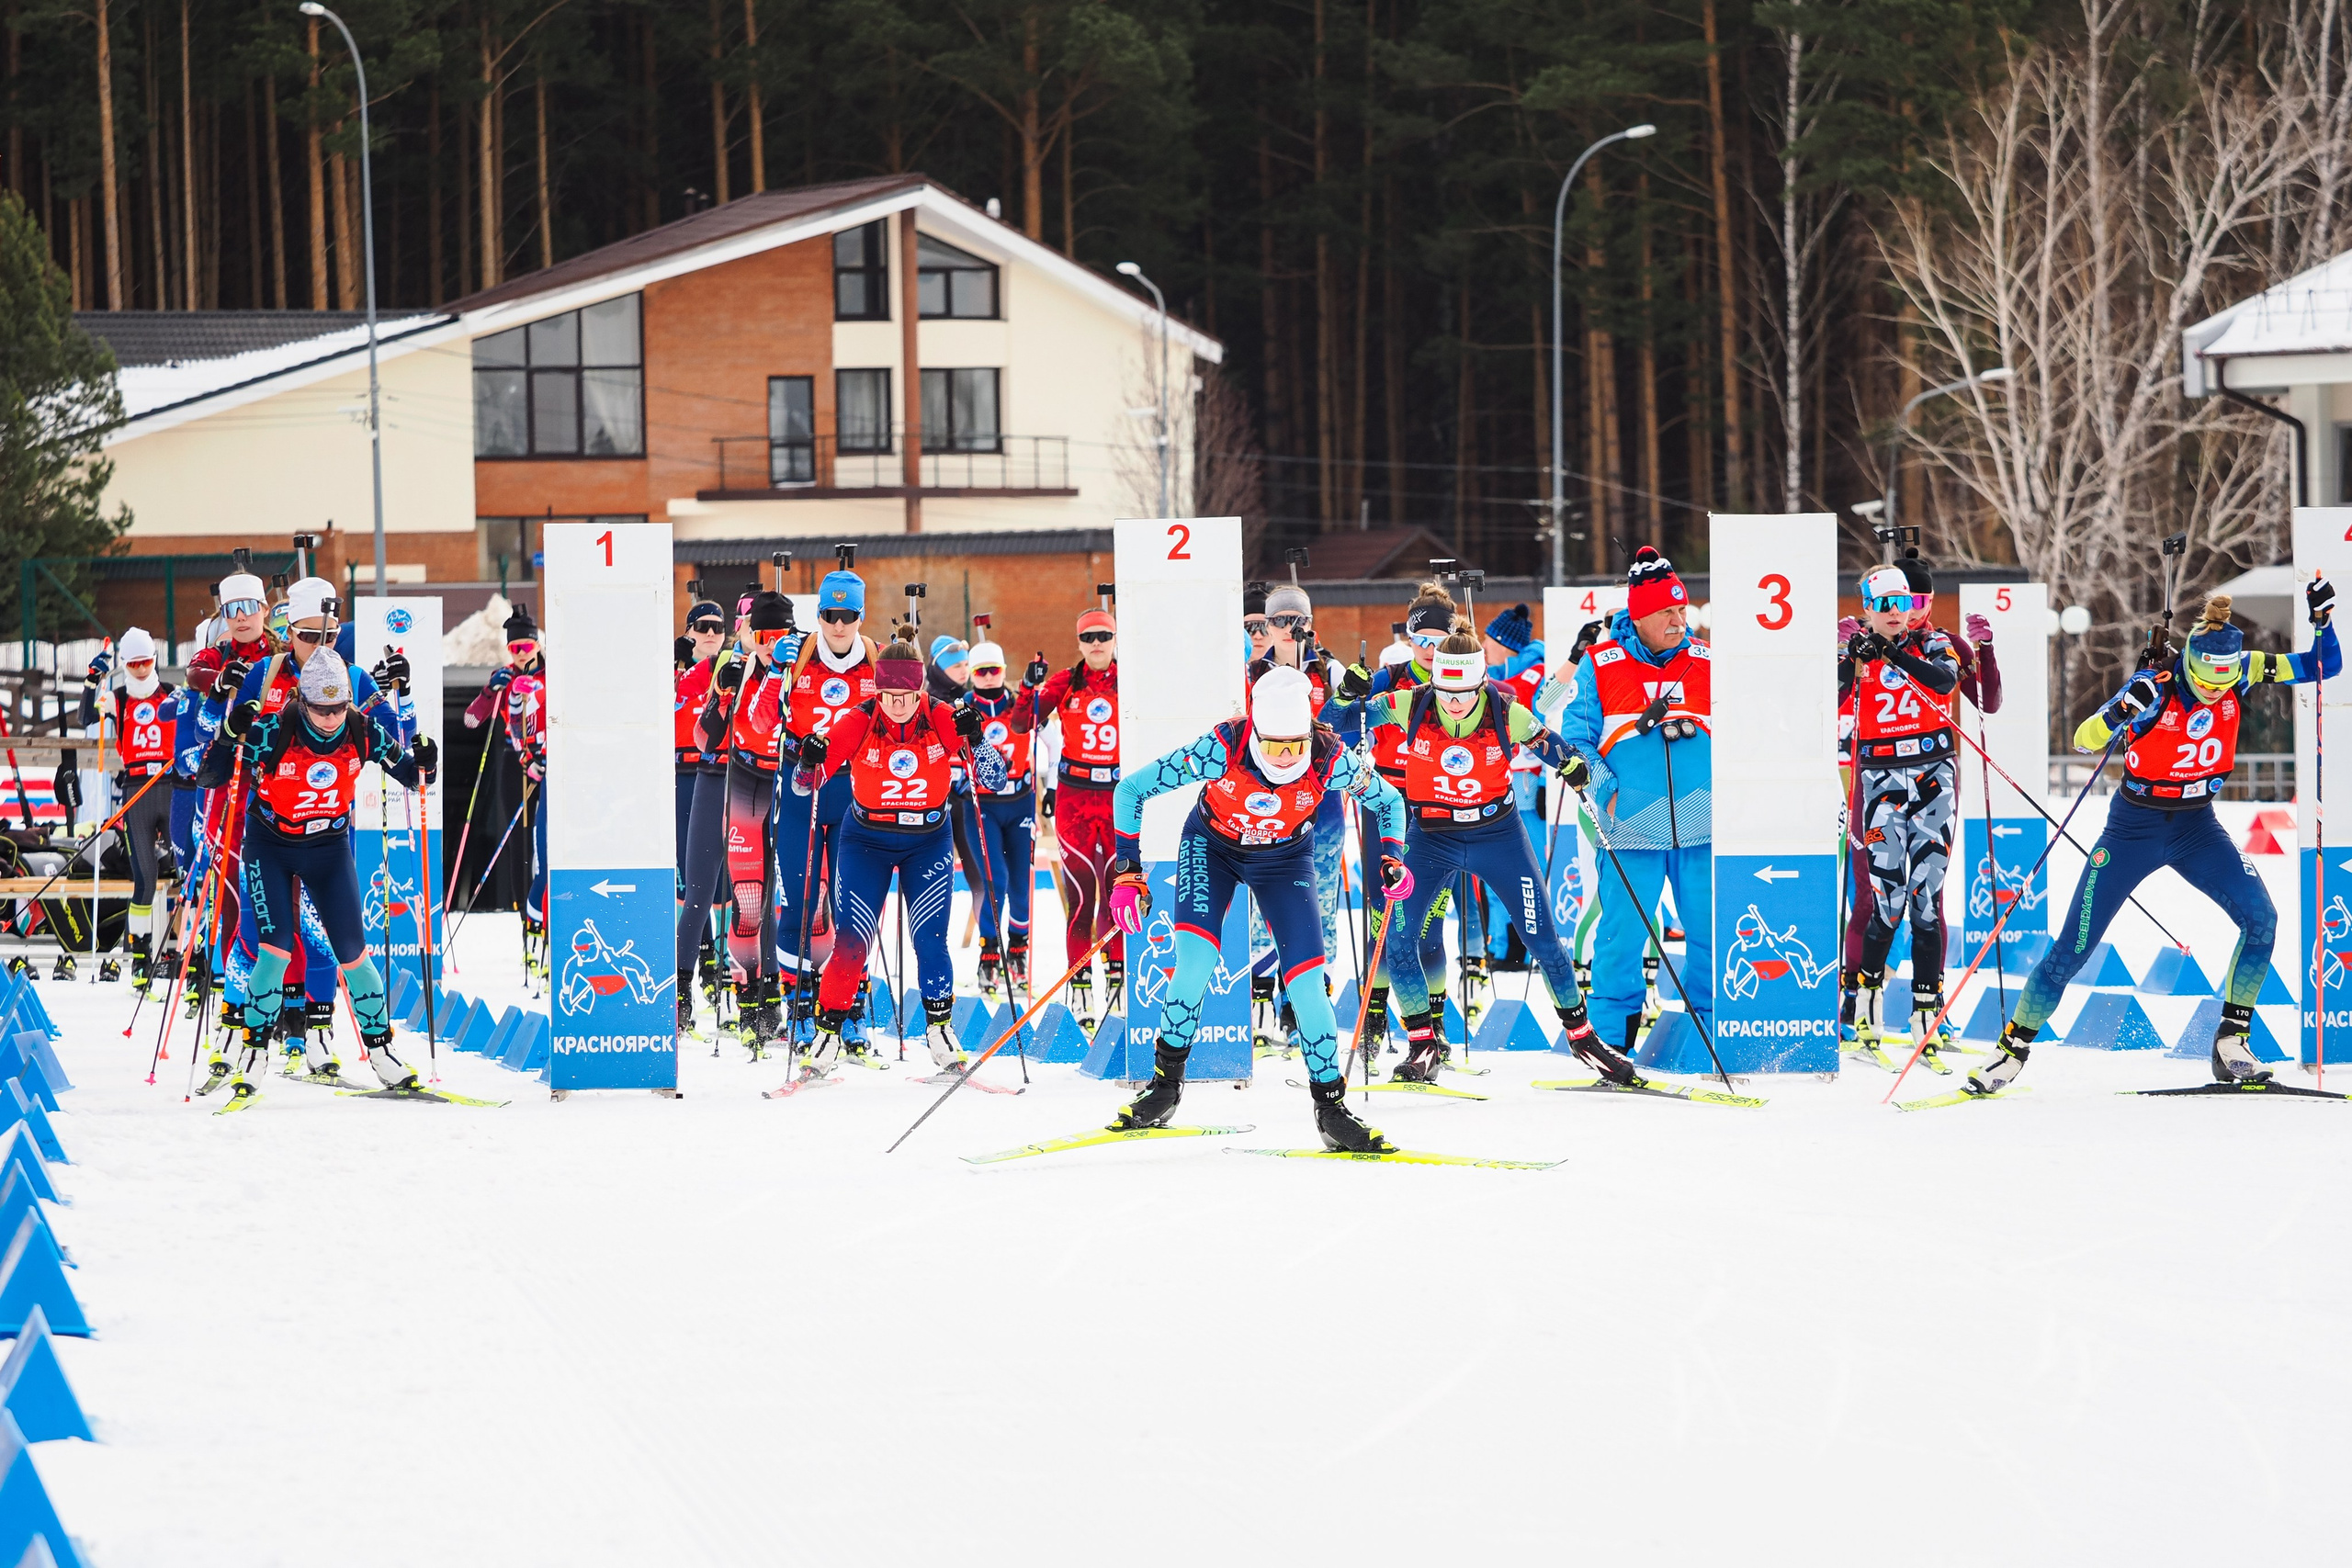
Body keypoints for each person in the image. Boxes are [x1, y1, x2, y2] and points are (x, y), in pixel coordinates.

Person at [1970, 584, 2341, 1096]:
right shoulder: (2157, 685)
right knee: (2074, 947)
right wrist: (2120, 712)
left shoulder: (2245, 667)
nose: (2215, 689)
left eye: (2225, 680)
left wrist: (2322, 620)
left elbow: (2324, 665)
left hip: (2197, 828)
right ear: (2190, 661)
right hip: (2133, 830)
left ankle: (2232, 1040)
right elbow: (2084, 738)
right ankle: (2010, 1052)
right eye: (2206, 679)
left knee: (2262, 919)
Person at [1105, 667, 1409, 1151]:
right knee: (1196, 964)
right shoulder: (1219, 748)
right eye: (1271, 746)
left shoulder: (1332, 758)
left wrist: (1393, 856)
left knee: (1307, 982)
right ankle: (1163, 1089)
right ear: (1256, 734)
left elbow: (1391, 803)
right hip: (1213, 848)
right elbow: (1131, 790)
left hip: (1285, 857)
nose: (1284, 757)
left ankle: (1331, 1107)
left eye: (1294, 745)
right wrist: (1127, 873)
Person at [1363, 632, 1641, 1083]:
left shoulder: (1503, 709)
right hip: (1431, 835)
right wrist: (1346, 696)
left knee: (1544, 941)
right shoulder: (1409, 703)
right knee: (1397, 939)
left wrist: (1570, 763)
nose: (1454, 705)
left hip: (1499, 835)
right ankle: (1422, 1045)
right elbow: (1342, 718)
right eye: (1446, 694)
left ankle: (1583, 1040)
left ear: (1481, 683)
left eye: (1465, 694)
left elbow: (1547, 740)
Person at [194, 649, 437, 1105]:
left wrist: (427, 760)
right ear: (302, 702)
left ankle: (381, 1052)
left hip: (328, 847)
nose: (330, 719)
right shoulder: (273, 731)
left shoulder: (362, 731)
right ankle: (254, 1053)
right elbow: (210, 776)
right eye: (321, 709)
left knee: (353, 953)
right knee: (274, 951)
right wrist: (229, 734)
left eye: (338, 708)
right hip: (272, 846)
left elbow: (412, 774)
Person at [792, 638, 1000, 1080]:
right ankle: (827, 1037)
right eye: (889, 697)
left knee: (930, 939)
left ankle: (941, 1036)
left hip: (927, 840)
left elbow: (995, 780)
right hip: (866, 840)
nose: (898, 705)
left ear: (920, 689)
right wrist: (808, 760)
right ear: (878, 692)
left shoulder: (941, 716)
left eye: (907, 697)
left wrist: (976, 738)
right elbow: (801, 785)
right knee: (852, 941)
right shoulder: (860, 719)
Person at [1552, 546, 1713, 1059]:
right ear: (1639, 616)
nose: (1678, 619)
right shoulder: (1601, 664)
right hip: (1632, 825)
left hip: (1702, 820)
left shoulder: (1709, 660)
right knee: (1621, 939)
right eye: (1667, 611)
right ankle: (1609, 1043)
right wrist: (1605, 789)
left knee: (1710, 934)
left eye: (1682, 609)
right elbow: (1572, 738)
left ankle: (1709, 1034)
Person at [213, 578, 372, 1077]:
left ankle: (318, 1034)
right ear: (288, 632)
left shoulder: (351, 678)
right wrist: (225, 711)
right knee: (258, 936)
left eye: (329, 637)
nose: (319, 648)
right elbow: (225, 745)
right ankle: (238, 1030)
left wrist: (401, 697)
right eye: (308, 636)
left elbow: (393, 736)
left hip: (326, 831)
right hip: (270, 832)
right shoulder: (267, 673)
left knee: (326, 937)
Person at [1836, 558, 2003, 1029]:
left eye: (1902, 603)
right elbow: (1830, 701)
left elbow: (1945, 681)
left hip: (1933, 777)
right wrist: (1849, 656)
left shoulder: (1933, 642)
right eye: (1883, 605)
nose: (1895, 613)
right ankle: (1864, 1002)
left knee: (1926, 897)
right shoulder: (1860, 651)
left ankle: (1926, 1010)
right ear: (1868, 608)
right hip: (1881, 781)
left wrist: (1889, 655)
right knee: (1886, 899)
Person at [1330, 584, 1456, 1044]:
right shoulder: (1392, 676)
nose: (1429, 650)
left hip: (1438, 808)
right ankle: (1376, 1020)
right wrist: (1349, 691)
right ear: (1408, 638)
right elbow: (1333, 718)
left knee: (1429, 924)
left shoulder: (1464, 680)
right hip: (1387, 806)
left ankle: (1435, 1027)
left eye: (1439, 642)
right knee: (1383, 914)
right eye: (1420, 639)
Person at [771, 570, 883, 1041]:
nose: (839, 625)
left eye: (848, 616)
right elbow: (760, 716)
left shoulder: (876, 661)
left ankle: (849, 1008)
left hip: (853, 794)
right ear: (817, 615)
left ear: (860, 616)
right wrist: (769, 670)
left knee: (851, 909)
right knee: (798, 904)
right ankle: (797, 1010)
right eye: (830, 616)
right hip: (800, 790)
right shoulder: (796, 657)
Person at [689, 591, 799, 1048]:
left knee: (794, 897)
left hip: (788, 783)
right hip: (735, 782)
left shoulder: (805, 664)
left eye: (781, 635)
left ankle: (794, 1003)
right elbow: (704, 737)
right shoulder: (734, 664)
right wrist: (721, 691)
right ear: (749, 632)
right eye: (762, 634)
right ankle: (743, 997)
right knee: (738, 897)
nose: (771, 643)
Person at [1244, 583, 1349, 1052]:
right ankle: (1259, 1004)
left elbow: (1350, 730)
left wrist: (1353, 700)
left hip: (1321, 812)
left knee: (1318, 911)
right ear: (1267, 626)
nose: (1289, 630)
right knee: (1260, 913)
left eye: (1298, 621)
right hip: (1263, 810)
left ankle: (1303, 1011)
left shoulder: (1330, 669)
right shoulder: (1251, 673)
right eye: (1280, 621)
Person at [1014, 605, 1122, 1021]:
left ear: (1114, 641)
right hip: (1075, 796)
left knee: (1118, 895)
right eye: (1089, 638)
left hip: (1117, 794)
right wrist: (1028, 687)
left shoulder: (1128, 681)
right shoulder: (1067, 680)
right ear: (1079, 643)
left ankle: (1117, 981)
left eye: (1104, 637)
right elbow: (1024, 723)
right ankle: (1079, 988)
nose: (1097, 645)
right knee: (1080, 897)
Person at [77, 627, 178, 987]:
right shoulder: (117, 697)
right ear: (124, 665)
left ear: (154, 660)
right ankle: (140, 956)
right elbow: (85, 718)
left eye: (146, 661)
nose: (139, 669)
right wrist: (92, 682)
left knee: (187, 873)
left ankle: (189, 954)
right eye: (133, 663)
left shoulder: (171, 694)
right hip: (136, 792)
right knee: (145, 880)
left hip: (171, 786)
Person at [965, 641, 1037, 999]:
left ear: (1004, 671)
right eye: (981, 671)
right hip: (982, 806)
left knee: (1022, 885)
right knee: (997, 880)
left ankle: (1019, 949)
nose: (990, 677)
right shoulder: (963, 710)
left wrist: (1050, 789)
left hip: (1020, 802)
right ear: (972, 675)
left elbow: (1048, 741)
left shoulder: (1019, 708)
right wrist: (957, 777)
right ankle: (989, 952)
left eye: (995, 670)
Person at [672, 600, 730, 1027]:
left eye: (719, 627)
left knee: (724, 881)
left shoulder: (730, 668)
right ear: (690, 632)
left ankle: (718, 965)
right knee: (691, 882)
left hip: (721, 775)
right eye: (704, 627)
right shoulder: (677, 672)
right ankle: (695, 969)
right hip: (682, 776)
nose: (712, 633)